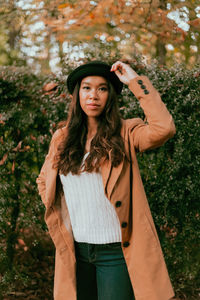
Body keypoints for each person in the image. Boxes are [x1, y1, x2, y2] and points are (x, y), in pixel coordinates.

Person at [36, 60, 176, 300]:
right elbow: (44, 179)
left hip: (115, 253)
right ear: (77, 94)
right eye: (87, 88)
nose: (94, 95)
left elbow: (164, 129)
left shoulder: (127, 132)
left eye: (102, 88)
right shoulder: (62, 137)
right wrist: (58, 209)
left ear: (110, 96)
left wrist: (134, 81)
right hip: (76, 250)